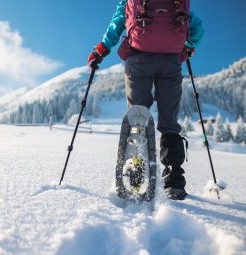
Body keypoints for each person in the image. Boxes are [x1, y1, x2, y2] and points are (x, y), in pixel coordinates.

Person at [87, 0, 204, 200]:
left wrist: (101, 49)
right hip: (171, 61)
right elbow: (196, 27)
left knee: (137, 116)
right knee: (169, 122)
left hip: (138, 59)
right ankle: (174, 180)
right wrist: (189, 46)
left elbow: (118, 22)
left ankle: (136, 173)